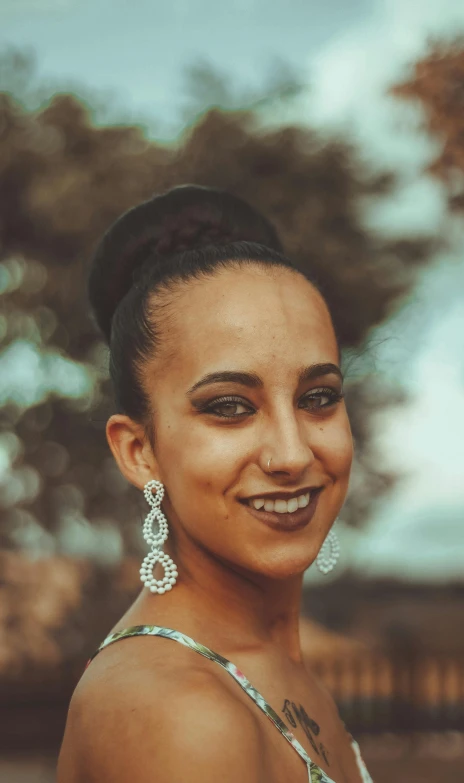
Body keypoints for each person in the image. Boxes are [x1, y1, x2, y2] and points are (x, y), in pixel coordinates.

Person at [57, 185, 373, 783]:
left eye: (318, 398)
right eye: (230, 406)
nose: (291, 453)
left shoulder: (268, 667)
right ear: (139, 450)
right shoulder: (177, 713)